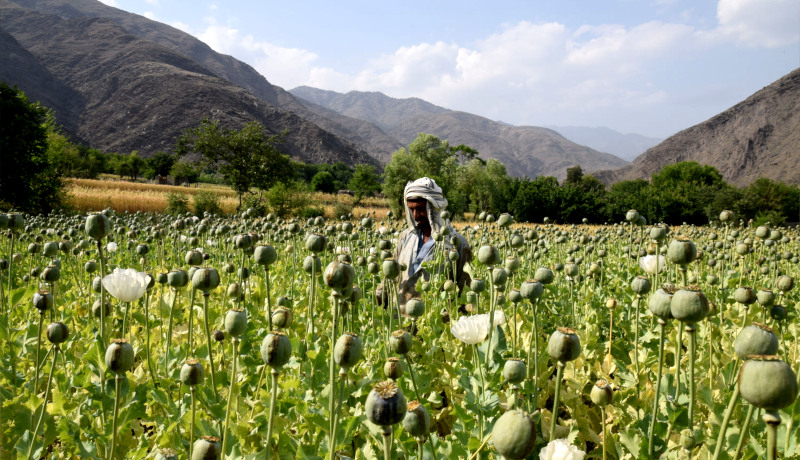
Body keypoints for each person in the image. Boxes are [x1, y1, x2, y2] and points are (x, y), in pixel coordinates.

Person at [389, 177, 472, 310]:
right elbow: (391, 273)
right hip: (399, 317)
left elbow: (464, 288)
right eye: (411, 210)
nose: (415, 215)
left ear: (434, 208)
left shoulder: (456, 243)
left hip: (435, 323)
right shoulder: (405, 237)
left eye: (420, 209)